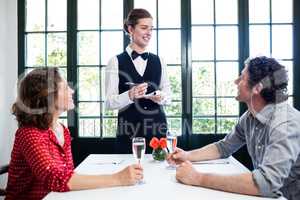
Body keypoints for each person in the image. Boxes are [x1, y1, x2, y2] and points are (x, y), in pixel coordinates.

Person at [167, 56, 300, 200]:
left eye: (242, 78)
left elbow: (266, 183)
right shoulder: (250, 116)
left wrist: (198, 178)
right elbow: (223, 147)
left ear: (257, 88)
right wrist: (187, 155)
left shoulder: (285, 123)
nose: (236, 82)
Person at [6, 68, 143, 200]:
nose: (72, 91)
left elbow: (67, 175)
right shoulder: (29, 133)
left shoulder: (62, 130)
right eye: (65, 88)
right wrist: (118, 178)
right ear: (48, 96)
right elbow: (57, 179)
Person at [105, 8, 171, 153]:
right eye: (144, 28)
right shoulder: (115, 61)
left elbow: (169, 96)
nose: (149, 33)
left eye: (151, 29)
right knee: (129, 174)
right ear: (130, 29)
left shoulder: (160, 60)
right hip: (128, 133)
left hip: (157, 131)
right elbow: (109, 103)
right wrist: (129, 95)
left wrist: (161, 97)